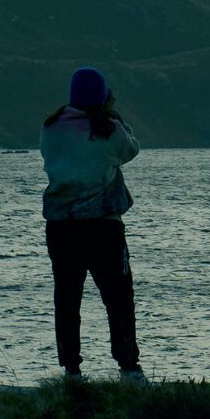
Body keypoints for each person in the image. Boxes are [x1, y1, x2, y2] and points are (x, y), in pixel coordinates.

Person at [40, 66, 147, 383]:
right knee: (118, 298)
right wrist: (114, 114)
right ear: (102, 97)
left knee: (67, 298)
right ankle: (128, 367)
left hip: (61, 227)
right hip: (103, 227)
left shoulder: (50, 128)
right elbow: (132, 149)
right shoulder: (110, 129)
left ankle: (71, 371)